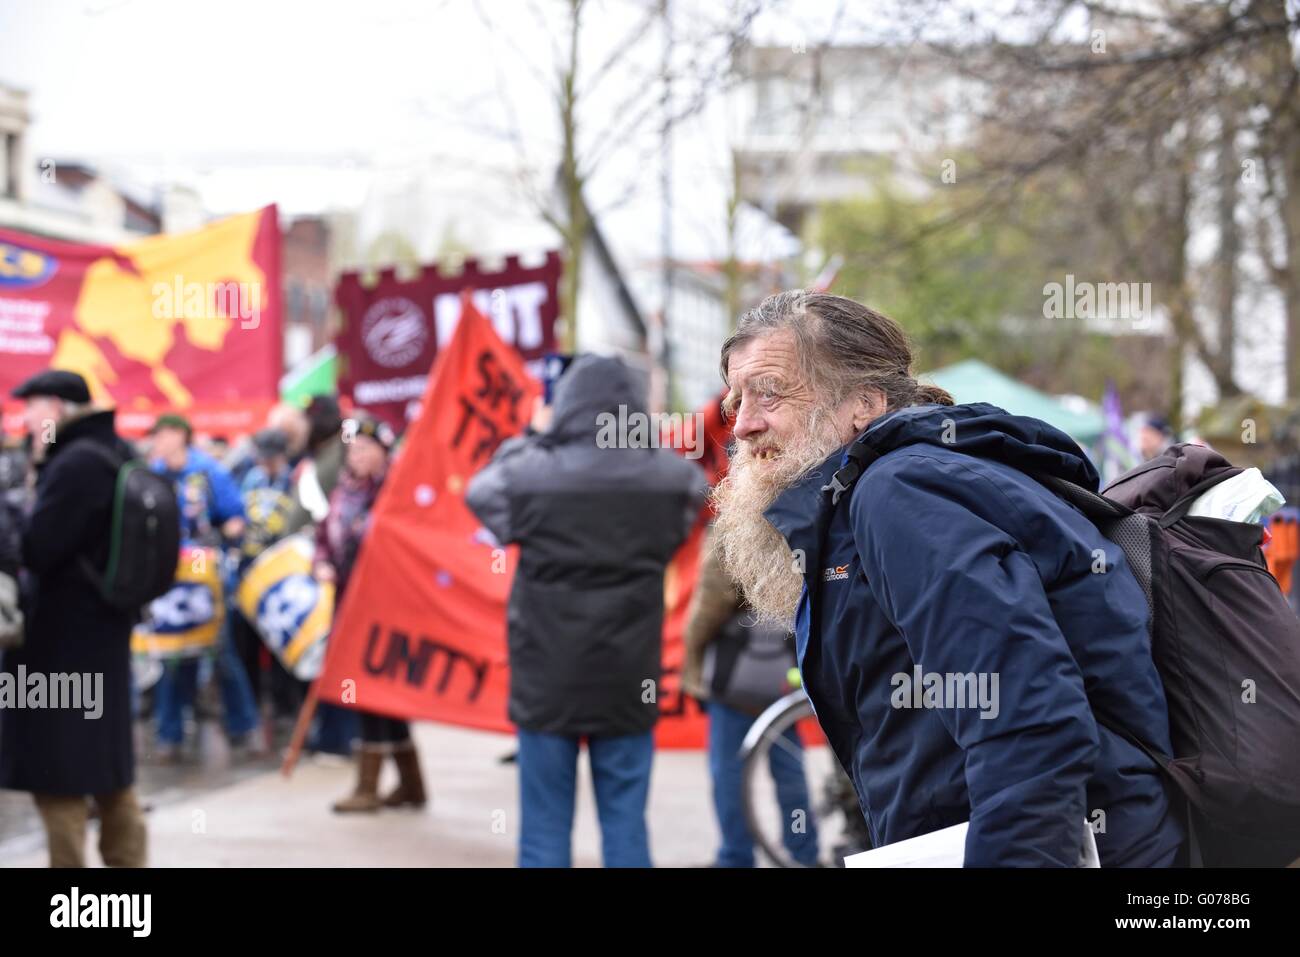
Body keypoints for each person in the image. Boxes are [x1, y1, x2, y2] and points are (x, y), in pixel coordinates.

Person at [710, 291, 1185, 867]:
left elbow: (1027, 716)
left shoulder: (899, 493)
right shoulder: (893, 488)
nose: (745, 426)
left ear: (864, 401)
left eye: (771, 394)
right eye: (738, 402)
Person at [467, 354, 709, 868]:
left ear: (567, 405)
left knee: (544, 826)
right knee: (625, 820)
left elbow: (479, 491)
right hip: (628, 673)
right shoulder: (668, 478)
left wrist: (535, 438)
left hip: (546, 673)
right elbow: (695, 496)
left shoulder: (531, 473)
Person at [0, 370, 147, 867]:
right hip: (105, 636)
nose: (26, 419)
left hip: (60, 645)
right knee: (110, 773)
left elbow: (38, 549)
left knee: (56, 777)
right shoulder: (115, 452)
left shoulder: (73, 464)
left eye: (34, 407)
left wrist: (21, 506)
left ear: (59, 409)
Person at [682, 531, 821, 867]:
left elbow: (709, 606)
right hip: (782, 676)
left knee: (729, 774)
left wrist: (693, 659)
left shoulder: (729, 532)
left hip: (734, 679)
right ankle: (803, 854)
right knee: (790, 770)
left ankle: (736, 856)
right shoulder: (798, 521)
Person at [314, 413, 427, 812]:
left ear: (384, 452)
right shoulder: (344, 491)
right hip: (348, 606)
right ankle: (412, 785)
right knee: (368, 692)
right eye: (353, 448)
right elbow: (324, 536)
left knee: (376, 690)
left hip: (387, 610)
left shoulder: (397, 492)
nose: (357, 455)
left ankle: (368, 787)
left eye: (365, 448)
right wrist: (322, 562)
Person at [148, 413, 261, 761]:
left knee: (220, 651)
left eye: (164, 435)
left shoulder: (208, 471)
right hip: (166, 578)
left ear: (181, 435)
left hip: (204, 577)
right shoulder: (153, 473)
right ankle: (170, 735)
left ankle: (246, 728)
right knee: (172, 655)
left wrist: (219, 539)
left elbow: (236, 519)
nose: (159, 442)